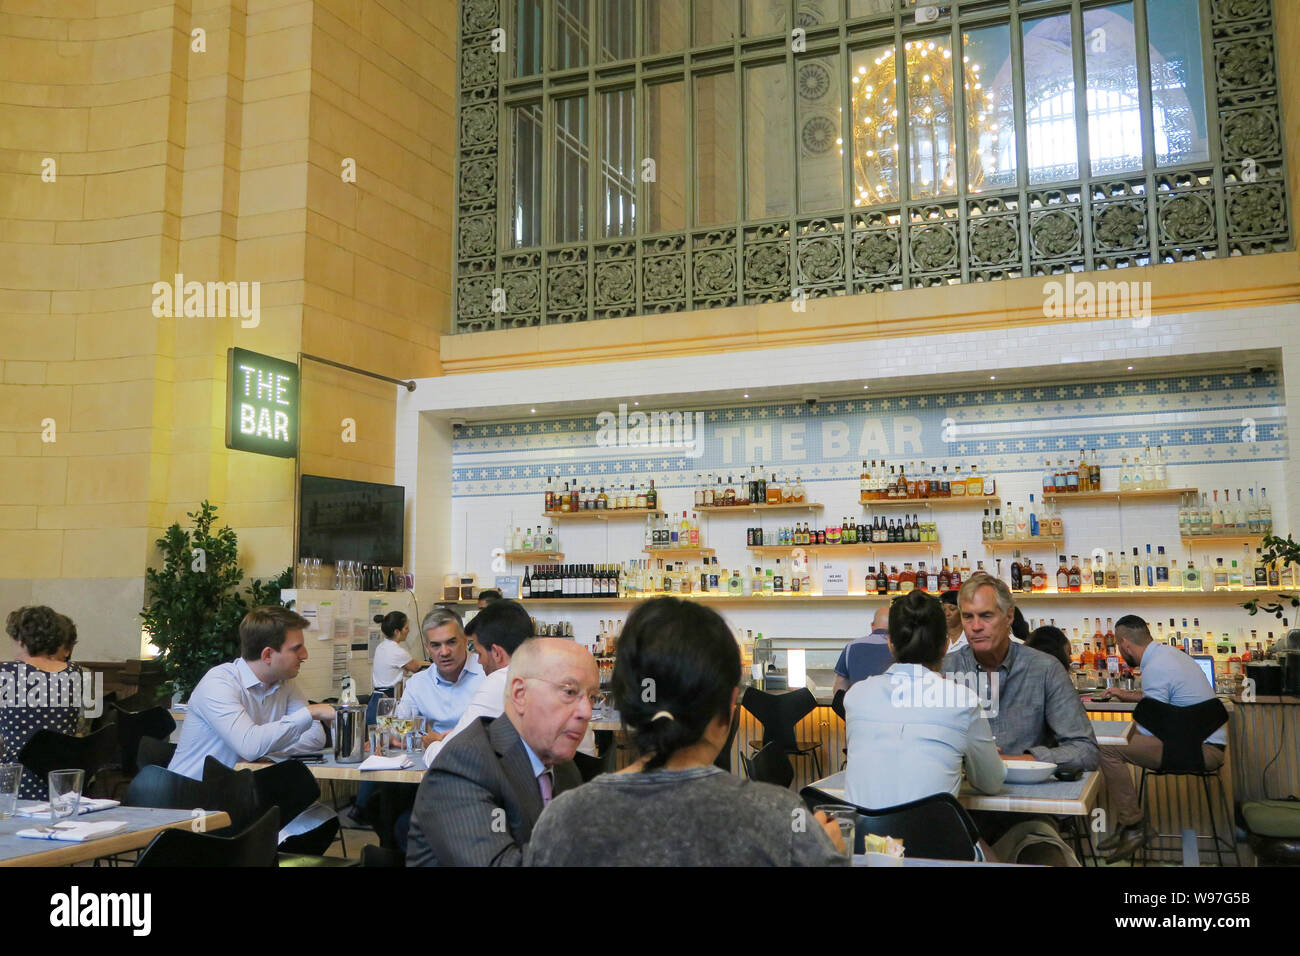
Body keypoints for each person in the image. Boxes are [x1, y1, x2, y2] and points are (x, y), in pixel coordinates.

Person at [526, 597, 846, 866]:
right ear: (730, 706)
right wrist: (824, 853)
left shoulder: (562, 820)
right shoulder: (781, 818)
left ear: (624, 701)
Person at [942, 573, 1098, 865]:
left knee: (1048, 859)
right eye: (968, 617)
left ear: (1009, 616)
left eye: (986, 616)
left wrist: (1019, 760)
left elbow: (1086, 750)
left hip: (1024, 813)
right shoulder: (947, 669)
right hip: (958, 813)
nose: (975, 627)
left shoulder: (1044, 669)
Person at [405, 638, 596, 866]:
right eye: (569, 691)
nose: (587, 712)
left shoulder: (563, 767)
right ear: (519, 693)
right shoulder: (464, 765)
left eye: (592, 697)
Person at [168, 606, 336, 838]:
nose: (305, 655)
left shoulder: (285, 683)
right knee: (284, 829)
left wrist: (264, 744)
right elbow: (249, 744)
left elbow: (315, 738)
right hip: (191, 801)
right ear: (267, 655)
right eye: (297, 648)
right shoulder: (219, 682)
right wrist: (309, 713)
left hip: (240, 796)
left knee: (320, 821)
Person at [843, 590, 1004, 814]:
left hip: (861, 843)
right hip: (930, 845)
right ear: (946, 645)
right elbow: (991, 783)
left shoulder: (856, 696)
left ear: (890, 644)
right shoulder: (962, 701)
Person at [1094, 615, 1227, 861]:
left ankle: (1133, 826)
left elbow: (1149, 728)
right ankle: (1129, 827)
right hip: (1201, 741)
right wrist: (1127, 695)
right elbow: (1162, 701)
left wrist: (1118, 731)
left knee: (1105, 748)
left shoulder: (1155, 667)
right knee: (1113, 742)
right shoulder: (1168, 655)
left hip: (1199, 749)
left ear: (1124, 644)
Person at [2, 607, 86, 800]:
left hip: (15, 785)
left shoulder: (6, 672)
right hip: (62, 785)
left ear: (21, 641)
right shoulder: (75, 673)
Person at [395, 607, 484, 745]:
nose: (444, 652)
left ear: (466, 640)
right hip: (436, 760)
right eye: (436, 645)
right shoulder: (418, 683)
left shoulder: (487, 673)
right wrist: (422, 739)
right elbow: (397, 729)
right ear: (427, 648)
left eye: (451, 642)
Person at [831, 606, 891, 694]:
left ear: (872, 625)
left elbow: (839, 688)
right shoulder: (902, 648)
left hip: (858, 706)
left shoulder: (851, 647)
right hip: (891, 706)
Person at [370, 611, 428, 697]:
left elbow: (412, 662)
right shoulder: (397, 651)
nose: (409, 631)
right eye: (406, 628)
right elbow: (415, 667)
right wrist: (434, 664)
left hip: (376, 696)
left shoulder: (381, 647)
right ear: (397, 632)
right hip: (388, 698)